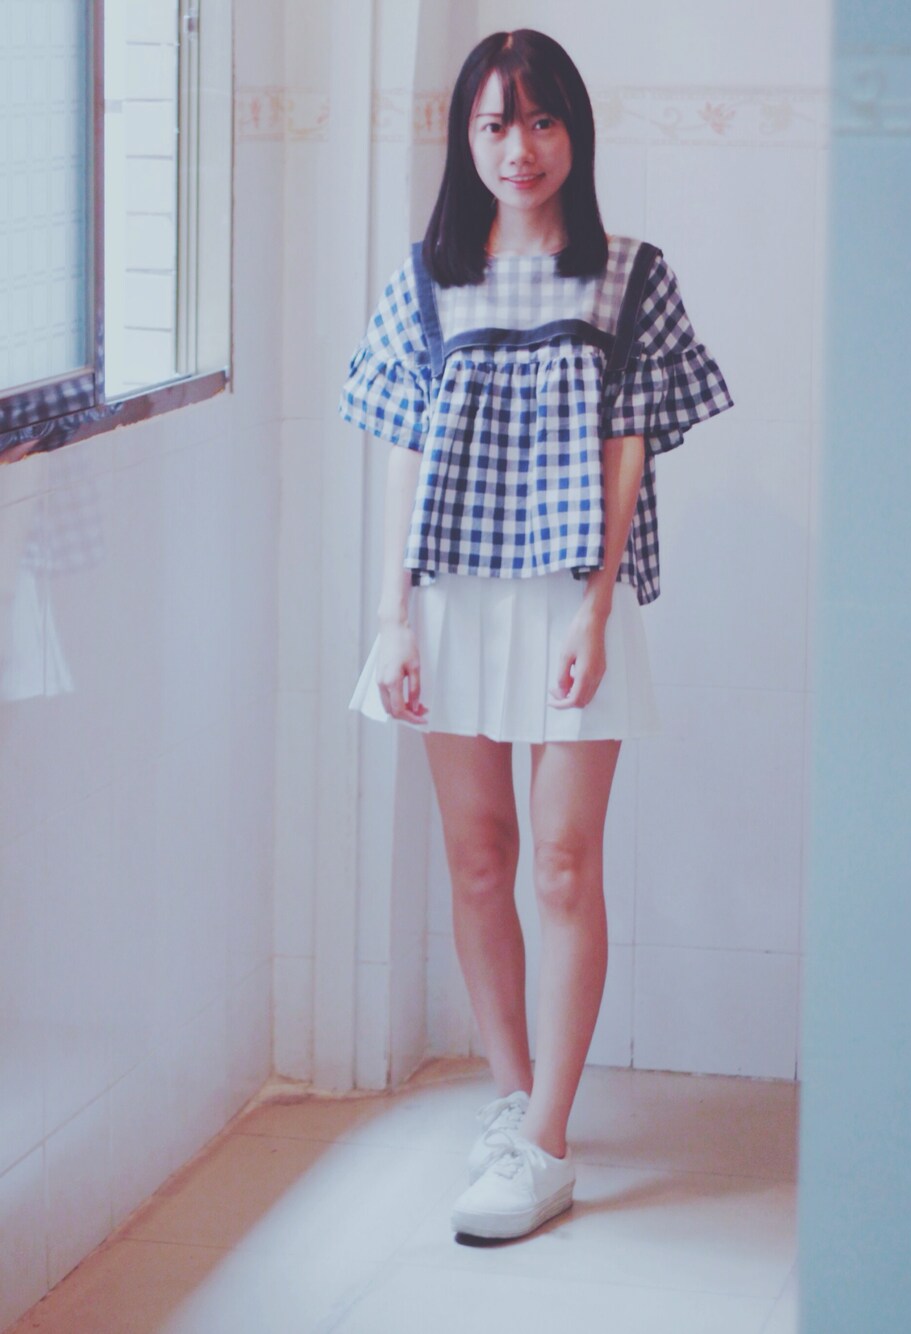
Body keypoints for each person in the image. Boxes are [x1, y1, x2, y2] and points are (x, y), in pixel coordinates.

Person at [339, 29, 733, 1241]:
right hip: (449, 596)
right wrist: (392, 621)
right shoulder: (426, 278)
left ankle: (548, 1141)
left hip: (571, 595)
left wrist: (600, 604)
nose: (521, 147)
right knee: (477, 858)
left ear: (576, 132)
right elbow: (403, 456)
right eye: (496, 124)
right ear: (465, 139)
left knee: (561, 863)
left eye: (543, 119)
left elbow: (628, 449)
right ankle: (511, 1101)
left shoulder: (627, 274)